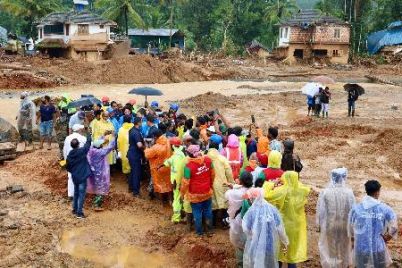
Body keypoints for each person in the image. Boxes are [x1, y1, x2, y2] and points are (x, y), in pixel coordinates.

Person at [348, 180, 398, 268]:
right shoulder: (384, 208)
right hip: (378, 248)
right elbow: (394, 226)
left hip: (361, 248)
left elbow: (350, 227)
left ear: (366, 191)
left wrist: (354, 240)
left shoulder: (356, 208)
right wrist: (387, 237)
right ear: (378, 192)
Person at [265, 171, 310, 268]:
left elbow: (266, 196)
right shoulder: (302, 190)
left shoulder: (282, 190)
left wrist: (271, 184)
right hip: (297, 225)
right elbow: (304, 187)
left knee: (280, 251)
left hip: (284, 224)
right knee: (292, 252)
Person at [317, 168, 356, 268]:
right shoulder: (349, 192)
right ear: (344, 177)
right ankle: (343, 265)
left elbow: (321, 211)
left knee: (332, 250)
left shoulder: (325, 192)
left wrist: (320, 225)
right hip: (344, 225)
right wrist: (353, 228)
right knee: (344, 249)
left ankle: (332, 266)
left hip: (330, 224)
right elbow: (353, 210)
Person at [242, 188, 289, 268]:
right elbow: (280, 228)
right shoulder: (272, 209)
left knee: (256, 263)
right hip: (269, 245)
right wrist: (285, 241)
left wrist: (252, 234)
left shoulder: (251, 211)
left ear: (252, 198)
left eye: (250, 199)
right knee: (268, 263)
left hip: (255, 245)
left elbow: (245, 228)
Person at [181, 144, 215, 236]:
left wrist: (182, 194)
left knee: (197, 213)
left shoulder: (188, 167)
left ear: (189, 154)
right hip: (207, 192)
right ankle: (209, 230)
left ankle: (199, 232)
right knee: (208, 211)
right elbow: (213, 174)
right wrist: (210, 185)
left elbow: (185, 183)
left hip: (194, 194)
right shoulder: (208, 160)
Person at [225, 171, 254, 267]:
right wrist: (235, 186)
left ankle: (241, 265)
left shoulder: (232, 194)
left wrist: (234, 186)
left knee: (240, 248)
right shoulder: (256, 192)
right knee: (250, 248)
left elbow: (228, 195)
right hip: (252, 226)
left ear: (240, 181)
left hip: (238, 225)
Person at [207, 141, 234, 228]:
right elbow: (229, 172)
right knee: (224, 204)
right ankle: (224, 223)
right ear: (218, 148)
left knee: (212, 204)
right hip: (222, 183)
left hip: (209, 184)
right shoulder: (222, 159)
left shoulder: (204, 158)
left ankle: (213, 224)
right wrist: (231, 183)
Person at [66, 133, 92, 219]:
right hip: (82, 177)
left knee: (76, 193)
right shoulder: (82, 151)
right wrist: (89, 134)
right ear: (78, 145)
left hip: (75, 177)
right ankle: (79, 213)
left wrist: (73, 172)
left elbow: (68, 167)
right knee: (81, 194)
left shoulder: (69, 155)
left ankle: (74, 209)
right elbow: (88, 144)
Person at [87, 134, 116, 210]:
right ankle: (96, 205)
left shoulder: (91, 149)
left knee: (95, 186)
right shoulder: (100, 152)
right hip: (99, 172)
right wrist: (113, 139)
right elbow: (110, 147)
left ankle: (94, 200)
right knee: (101, 188)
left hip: (93, 172)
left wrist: (103, 136)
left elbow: (96, 142)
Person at [144, 129, 172, 201]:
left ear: (155, 137)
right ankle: (170, 200)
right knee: (168, 184)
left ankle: (162, 203)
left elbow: (147, 155)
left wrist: (146, 147)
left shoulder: (156, 147)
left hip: (158, 168)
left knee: (159, 186)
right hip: (168, 167)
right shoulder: (168, 142)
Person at [164, 137, 186, 223]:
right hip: (183, 181)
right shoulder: (181, 154)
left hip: (177, 182)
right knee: (183, 197)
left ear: (172, 145)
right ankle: (184, 213)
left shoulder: (176, 156)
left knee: (176, 199)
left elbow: (176, 169)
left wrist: (176, 183)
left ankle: (176, 218)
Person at [63, 124, 87, 199]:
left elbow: (65, 150)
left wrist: (65, 159)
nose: (82, 130)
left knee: (70, 177)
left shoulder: (67, 138)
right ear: (79, 130)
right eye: (81, 129)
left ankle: (70, 195)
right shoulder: (83, 138)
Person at [127, 117, 144, 196]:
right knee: (136, 172)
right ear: (138, 123)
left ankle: (130, 187)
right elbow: (139, 145)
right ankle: (136, 192)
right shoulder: (136, 133)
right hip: (135, 155)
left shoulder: (131, 130)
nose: (142, 123)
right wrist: (145, 148)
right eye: (141, 122)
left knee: (133, 171)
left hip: (131, 153)